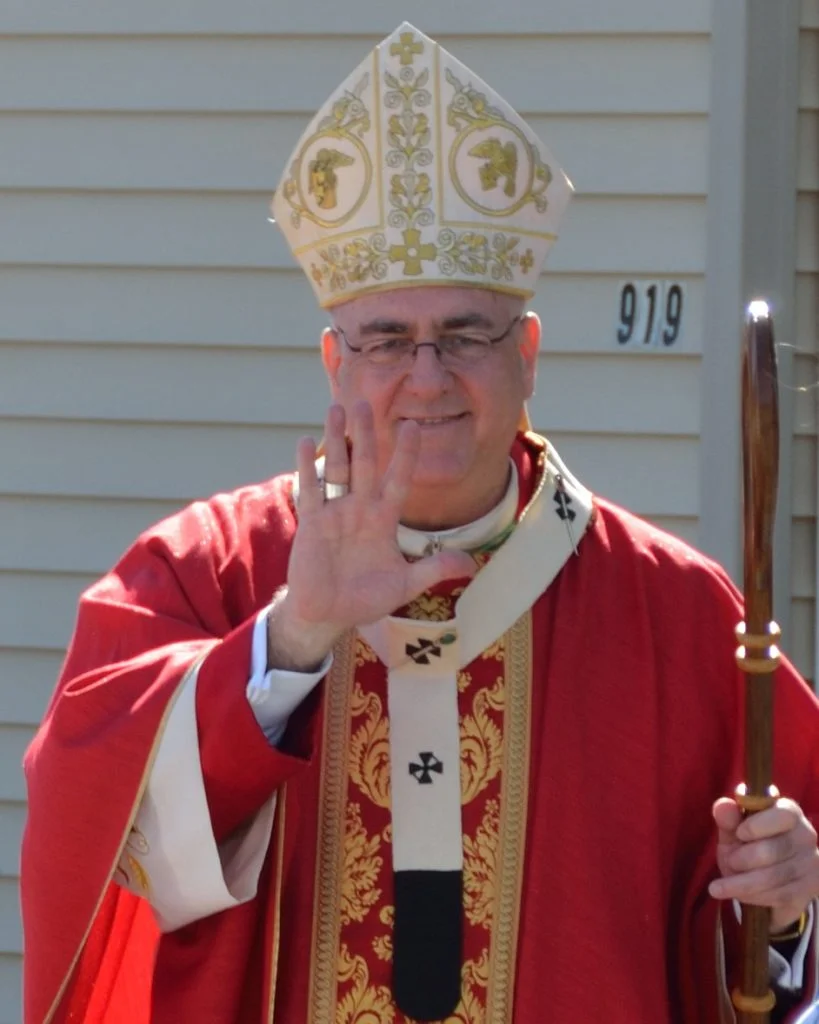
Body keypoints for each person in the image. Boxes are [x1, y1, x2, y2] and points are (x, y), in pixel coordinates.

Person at [20, 21, 819, 1024]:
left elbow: (754, 948)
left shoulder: (678, 615)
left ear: (529, 355)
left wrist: (784, 916)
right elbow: (96, 835)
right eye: (388, 339)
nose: (428, 376)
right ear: (334, 364)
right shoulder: (203, 572)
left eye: (467, 334)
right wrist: (292, 640)